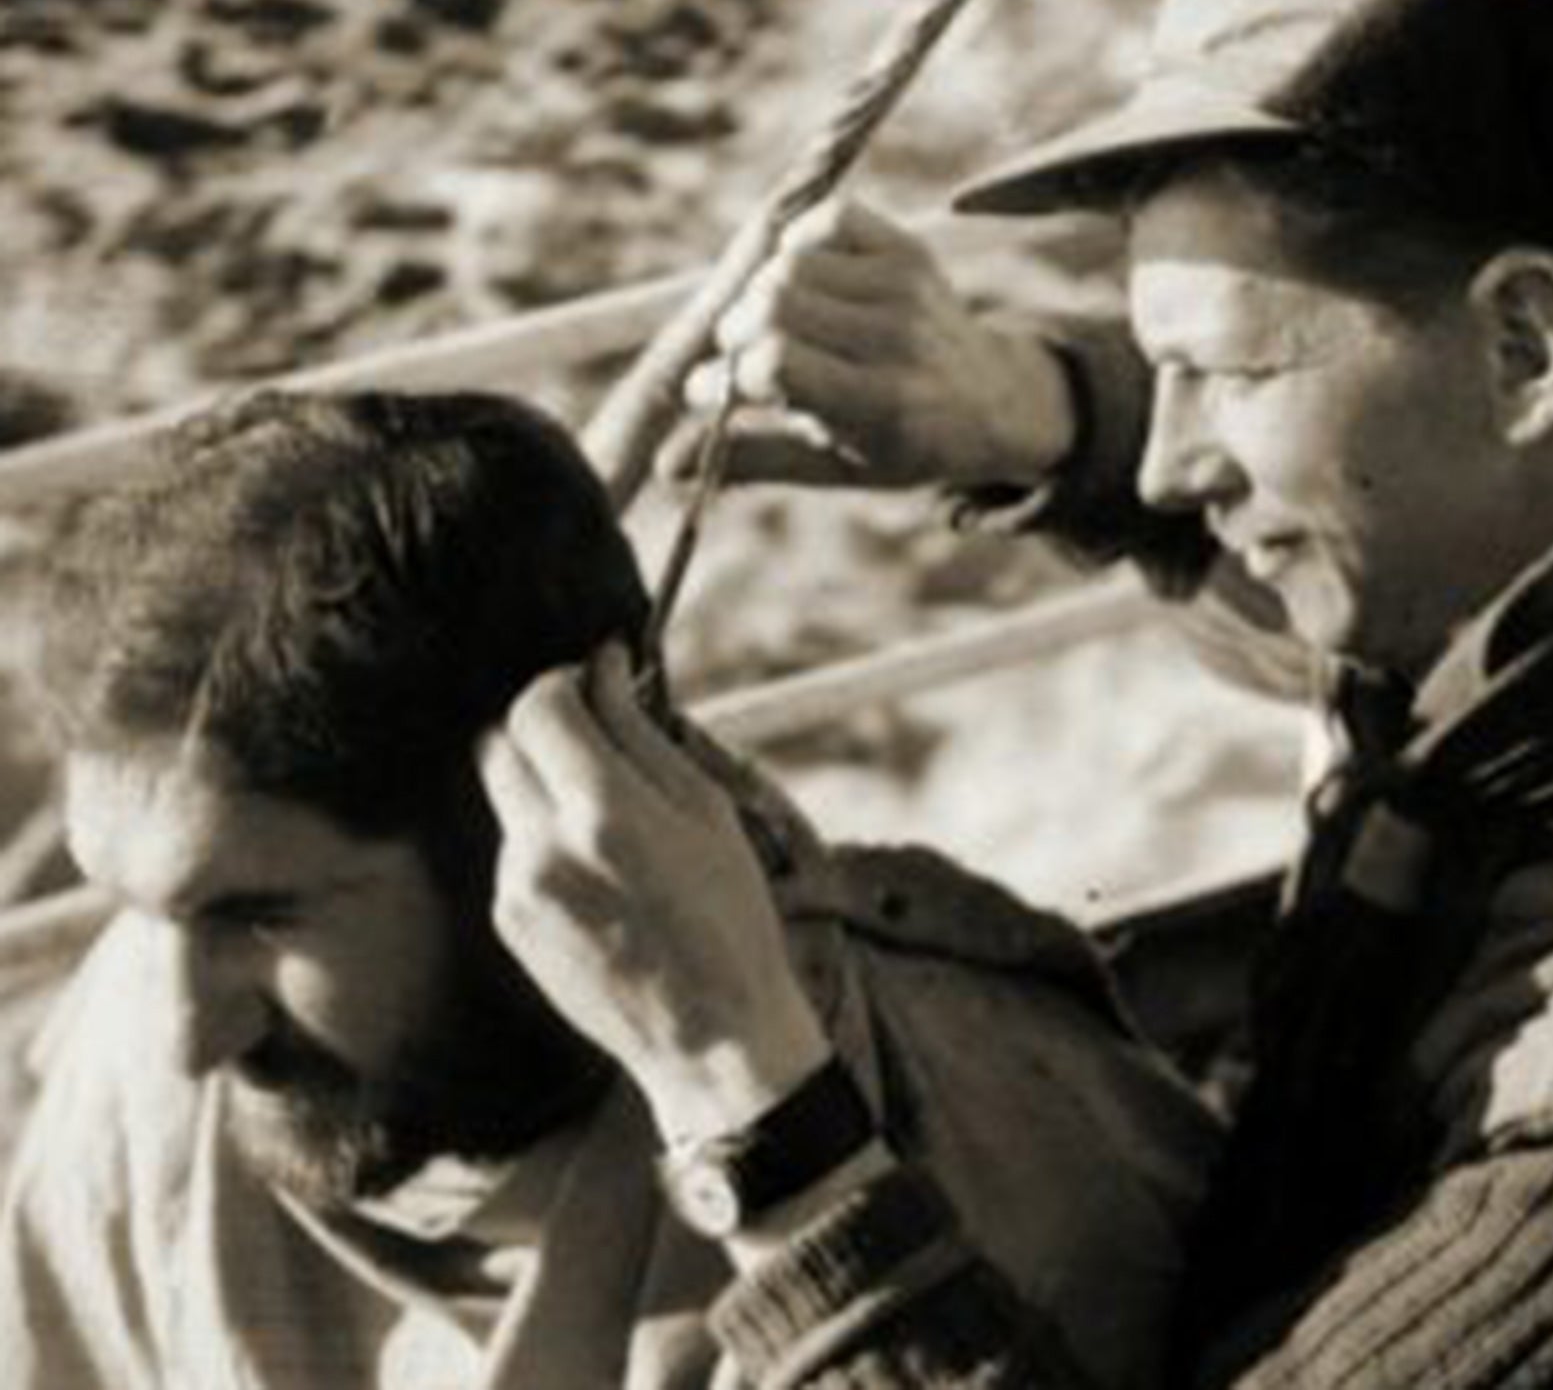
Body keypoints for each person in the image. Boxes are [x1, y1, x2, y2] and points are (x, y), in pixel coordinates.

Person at [481, 0, 1553, 1389]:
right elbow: (1344, 647)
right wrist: (1026, 415)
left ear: (1523, 348)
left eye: (1223, 376)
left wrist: (745, 1095)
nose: (1168, 464)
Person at [0, 390, 1215, 1389]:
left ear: (542, 816)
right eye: (131, 904)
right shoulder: (152, 1007)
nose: (182, 1038)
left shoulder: (1009, 1167)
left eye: (259, 919)